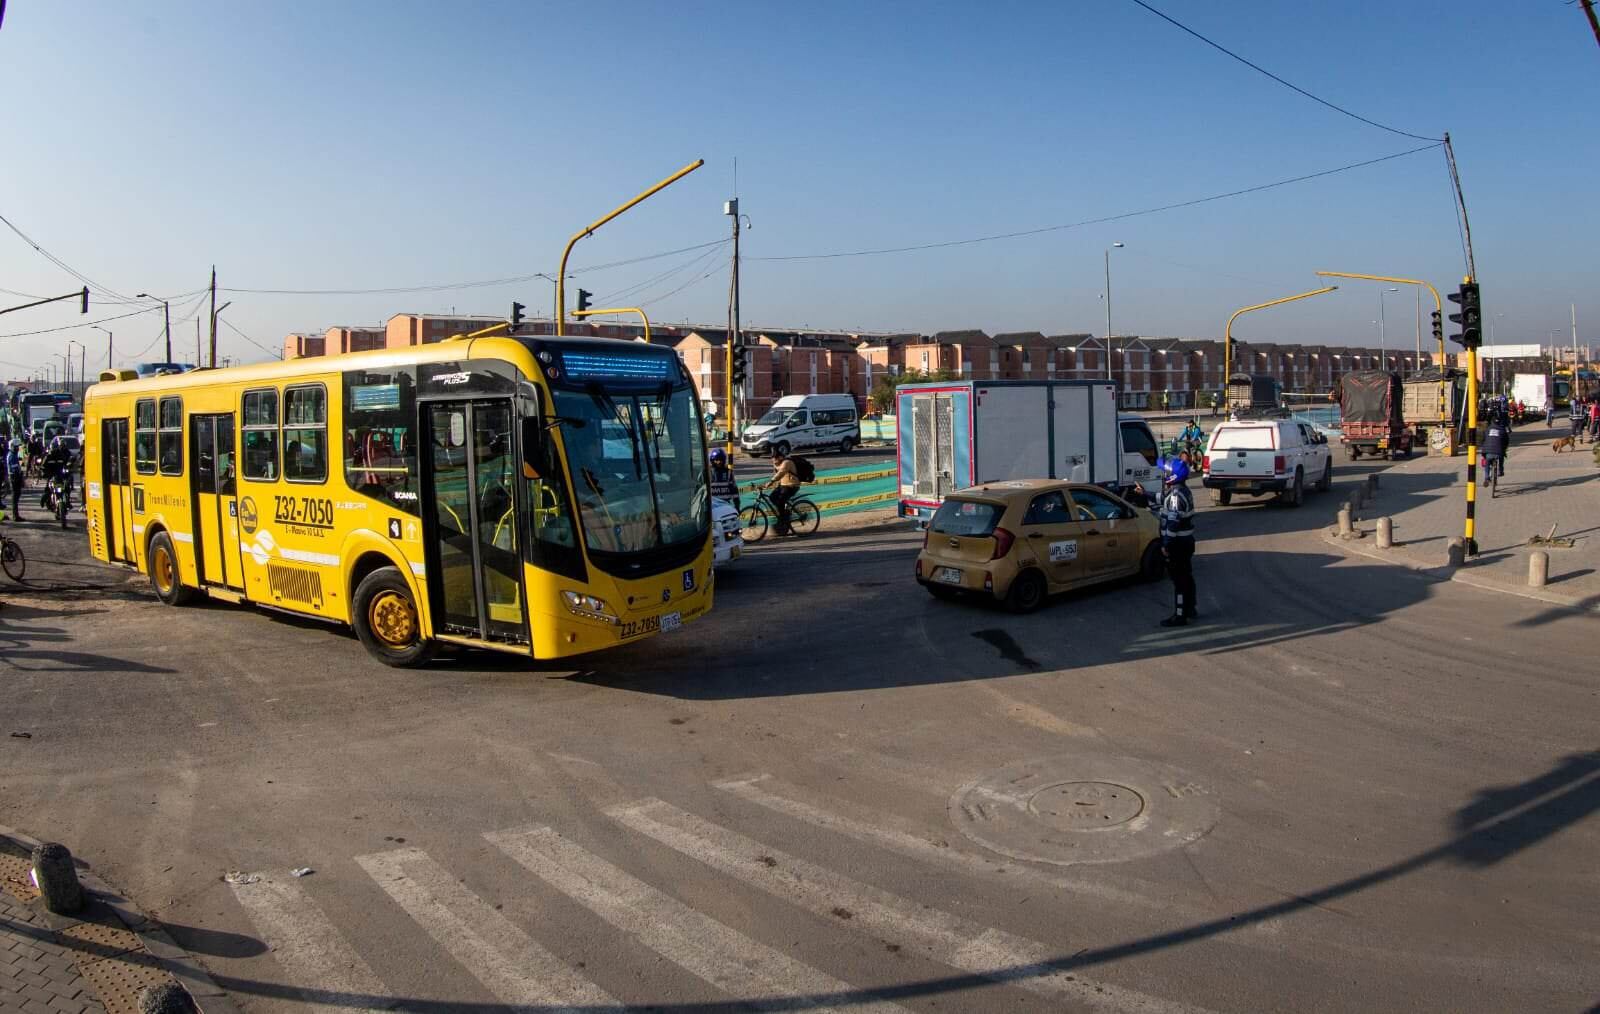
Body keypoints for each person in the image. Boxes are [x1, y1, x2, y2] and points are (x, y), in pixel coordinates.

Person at [1156, 457, 1197, 627]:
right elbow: (1162, 498)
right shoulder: (1182, 490)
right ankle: (1190, 608)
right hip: (1186, 542)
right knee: (1186, 576)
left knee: (1179, 579)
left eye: (1166, 472)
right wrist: (1144, 493)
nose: (1164, 474)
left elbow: (1173, 522)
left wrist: (1166, 544)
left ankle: (1180, 615)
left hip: (1177, 544)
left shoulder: (1176, 495)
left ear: (1173, 475)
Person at [764, 446, 802, 536]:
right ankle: (784, 514)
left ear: (780, 457)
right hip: (783, 485)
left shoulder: (787, 462)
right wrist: (775, 486)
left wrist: (771, 481)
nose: (773, 459)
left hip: (792, 485)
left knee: (781, 500)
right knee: (772, 497)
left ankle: (784, 518)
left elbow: (781, 473)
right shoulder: (776, 464)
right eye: (772, 458)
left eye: (775, 457)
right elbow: (777, 475)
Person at [41, 435, 74, 512]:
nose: (54, 449)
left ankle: (67, 502)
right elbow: (43, 466)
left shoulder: (61, 455)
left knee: (66, 488)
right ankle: (45, 501)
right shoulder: (48, 457)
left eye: (56, 447)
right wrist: (44, 472)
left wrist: (68, 466)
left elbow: (66, 463)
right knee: (48, 489)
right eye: (53, 448)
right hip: (51, 476)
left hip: (59, 476)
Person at [1479, 408, 1510, 484]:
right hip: (1499, 452)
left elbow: (1482, 440)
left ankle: (1487, 478)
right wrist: (1504, 449)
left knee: (1487, 463)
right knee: (1501, 456)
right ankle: (1500, 470)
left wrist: (1483, 447)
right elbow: (1506, 441)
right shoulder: (1502, 430)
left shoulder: (1487, 430)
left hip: (1488, 452)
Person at [6, 439, 24, 519]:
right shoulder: (11, 455)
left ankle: (16, 515)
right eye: (16, 447)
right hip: (14, 477)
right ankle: (15, 516)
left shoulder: (14, 454)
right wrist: (19, 474)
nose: (18, 448)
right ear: (12, 446)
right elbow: (14, 468)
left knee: (16, 496)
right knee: (15, 497)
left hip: (16, 476)